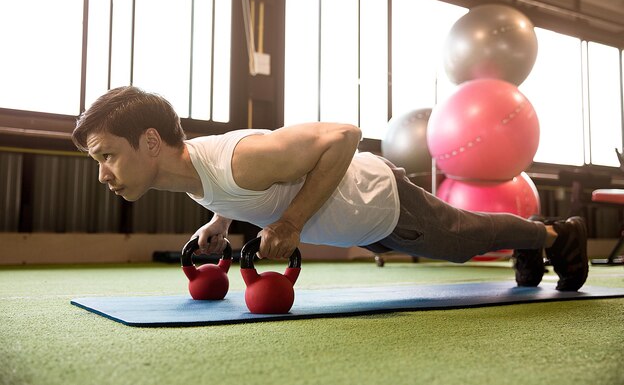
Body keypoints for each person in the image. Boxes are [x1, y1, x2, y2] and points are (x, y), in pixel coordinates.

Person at [71, 86, 589, 291]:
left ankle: (556, 236)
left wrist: (292, 222)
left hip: (380, 202)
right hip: (355, 224)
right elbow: (233, 189)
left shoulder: (241, 159)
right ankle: (539, 240)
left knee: (463, 240)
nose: (103, 174)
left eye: (107, 156)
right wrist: (220, 220)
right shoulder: (189, 173)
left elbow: (345, 135)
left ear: (150, 141)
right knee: (465, 238)